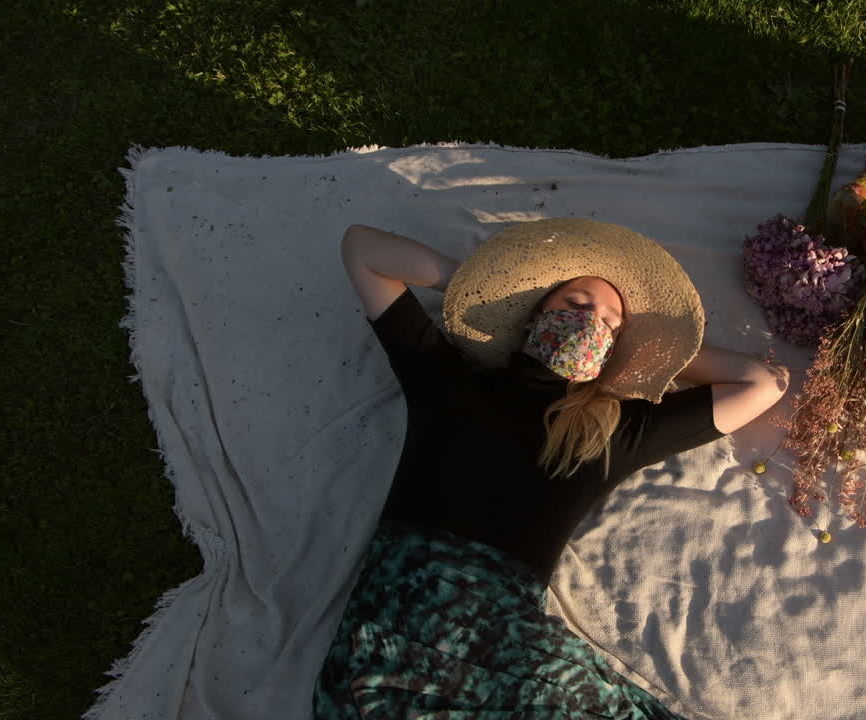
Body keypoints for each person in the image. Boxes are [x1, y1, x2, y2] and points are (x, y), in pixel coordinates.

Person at [314, 217, 788, 718]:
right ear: (536, 312)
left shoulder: (611, 433)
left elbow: (762, 385)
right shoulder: (446, 381)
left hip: (500, 635)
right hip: (393, 621)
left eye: (610, 324)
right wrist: (485, 285)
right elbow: (361, 248)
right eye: (576, 305)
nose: (590, 324)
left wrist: (656, 354)